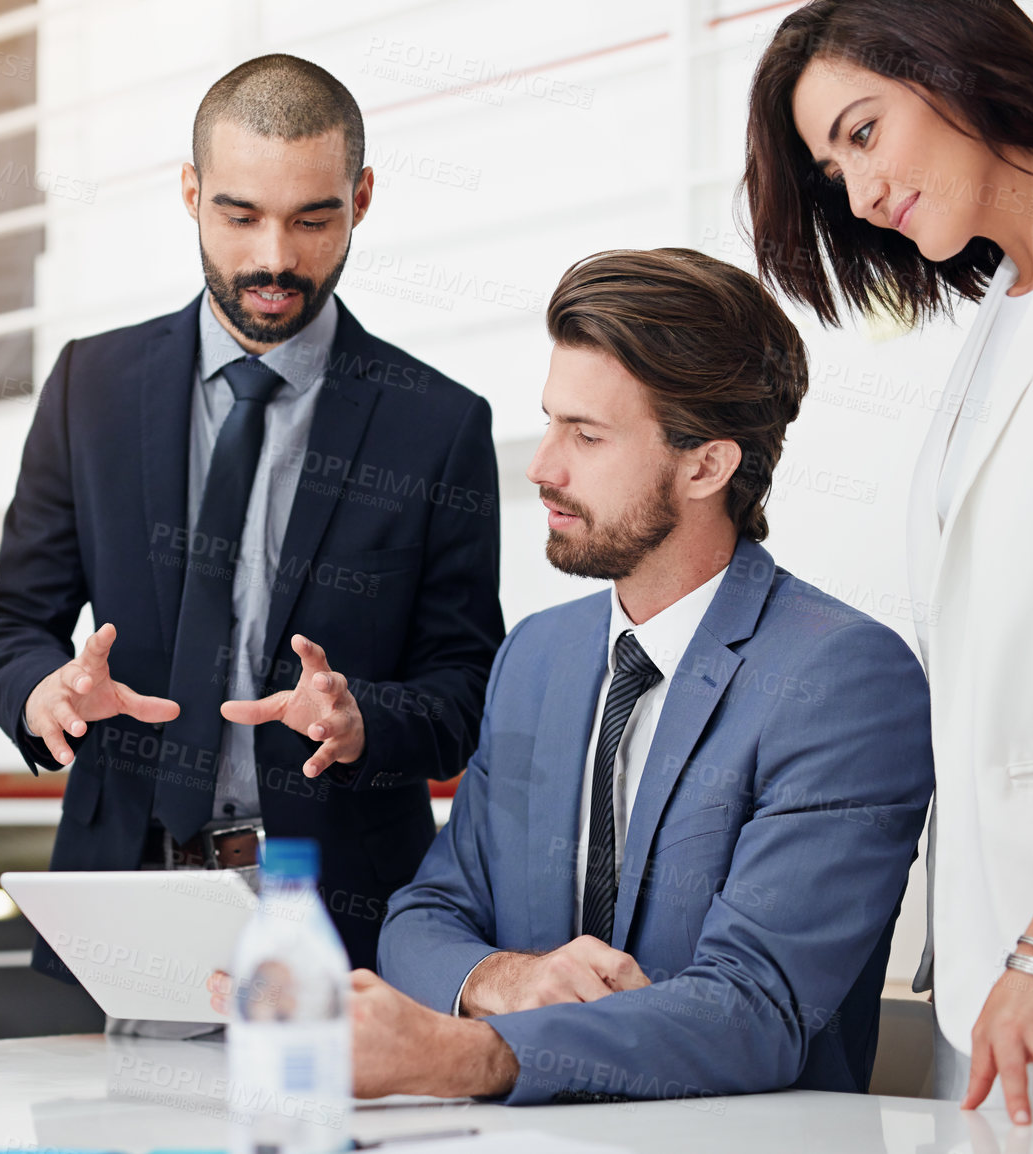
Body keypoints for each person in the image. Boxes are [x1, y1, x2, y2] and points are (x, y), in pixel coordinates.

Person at [352, 248, 933, 1102]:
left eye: (585, 436)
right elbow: (422, 920)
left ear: (706, 466)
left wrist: (469, 1056)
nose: (543, 466)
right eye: (550, 422)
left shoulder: (845, 679)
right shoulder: (534, 657)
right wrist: (503, 979)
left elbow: (753, 1010)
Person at [0, 54, 503, 978]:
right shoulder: (90, 386)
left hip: (346, 925)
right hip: (119, 903)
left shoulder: (439, 425)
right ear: (190, 192)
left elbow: (463, 689)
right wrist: (42, 692)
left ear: (362, 198)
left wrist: (361, 717)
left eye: (312, 219)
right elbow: (10, 621)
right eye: (240, 214)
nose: (274, 260)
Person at [743, 0, 1033, 1128]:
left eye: (864, 134)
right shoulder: (1010, 310)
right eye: (834, 169)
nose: (858, 195)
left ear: (958, 64)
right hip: (995, 976)